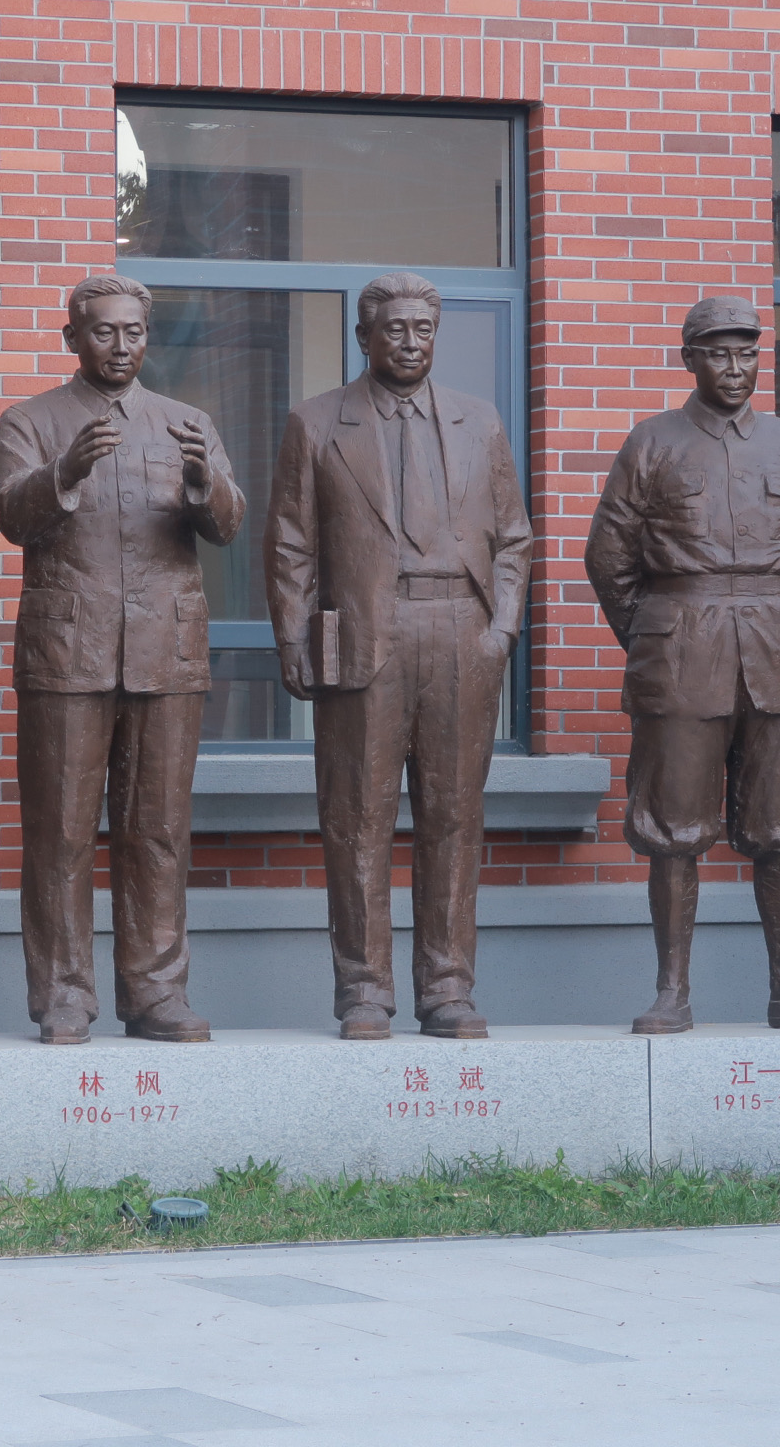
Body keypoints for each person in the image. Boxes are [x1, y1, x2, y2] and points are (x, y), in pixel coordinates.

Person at [265, 271, 532, 1040]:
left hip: (460, 633)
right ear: (364, 337)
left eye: (423, 329)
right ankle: (364, 989)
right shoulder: (317, 422)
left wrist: (501, 632)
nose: (411, 343)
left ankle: (447, 988)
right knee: (357, 816)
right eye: (395, 329)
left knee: (454, 815)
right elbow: (290, 545)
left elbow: (513, 540)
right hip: (363, 634)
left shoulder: (479, 422)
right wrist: (294, 639)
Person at [584, 295, 780, 1034]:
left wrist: (778, 618)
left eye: (746, 353)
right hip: (682, 648)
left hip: (779, 650)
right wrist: (657, 632)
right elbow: (608, 557)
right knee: (673, 827)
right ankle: (672, 991)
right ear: (690, 361)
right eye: (719, 354)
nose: (735, 368)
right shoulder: (652, 443)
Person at [0, 274, 245, 1045]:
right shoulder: (31, 420)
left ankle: (157, 991)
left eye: (134, 331)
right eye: (104, 331)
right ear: (73, 337)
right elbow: (12, 516)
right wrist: (62, 472)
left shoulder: (186, 422)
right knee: (61, 833)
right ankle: (63, 994)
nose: (121, 345)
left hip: (165, 649)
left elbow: (229, 524)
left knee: (158, 830)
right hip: (69, 649)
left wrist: (204, 485)